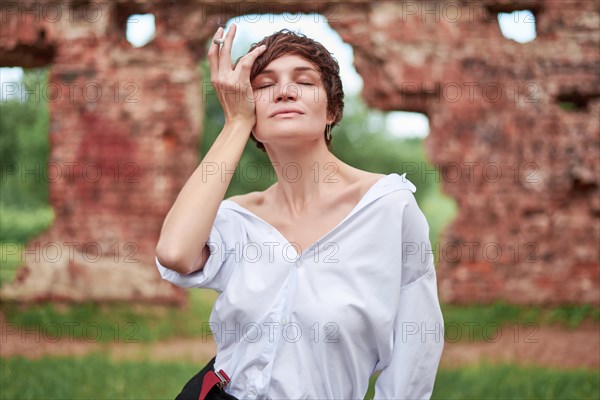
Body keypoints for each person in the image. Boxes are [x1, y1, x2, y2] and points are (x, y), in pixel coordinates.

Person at [155, 23, 445, 399]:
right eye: (263, 86)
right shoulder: (238, 219)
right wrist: (235, 123)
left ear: (332, 110)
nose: (285, 91)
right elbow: (175, 254)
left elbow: (415, 351)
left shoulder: (389, 208)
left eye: (304, 81)